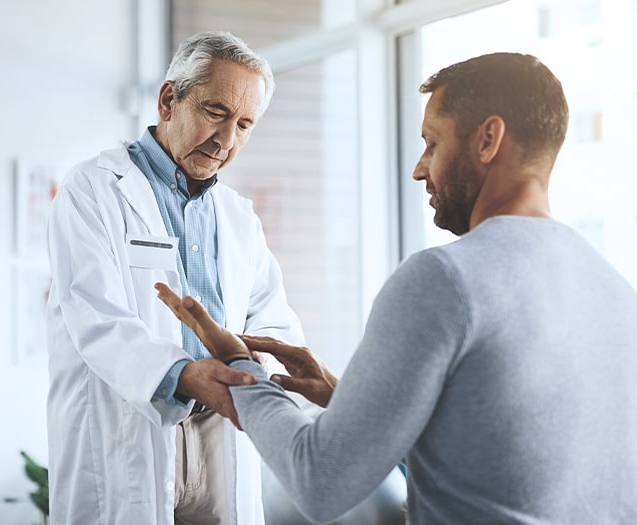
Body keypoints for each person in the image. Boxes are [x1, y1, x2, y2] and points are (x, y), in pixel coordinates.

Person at [154, 52, 637, 524]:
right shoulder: (615, 292)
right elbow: (508, 461)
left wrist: (242, 369)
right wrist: (350, 403)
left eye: (432, 143)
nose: (419, 168)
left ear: (489, 139)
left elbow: (320, 482)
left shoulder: (444, 278)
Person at [45, 31, 305, 524]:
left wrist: (256, 379)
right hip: (134, 422)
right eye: (216, 112)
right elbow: (96, 317)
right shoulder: (93, 190)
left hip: (222, 432)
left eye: (245, 124)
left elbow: (273, 321)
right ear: (170, 99)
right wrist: (185, 375)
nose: (227, 141)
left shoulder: (238, 217)